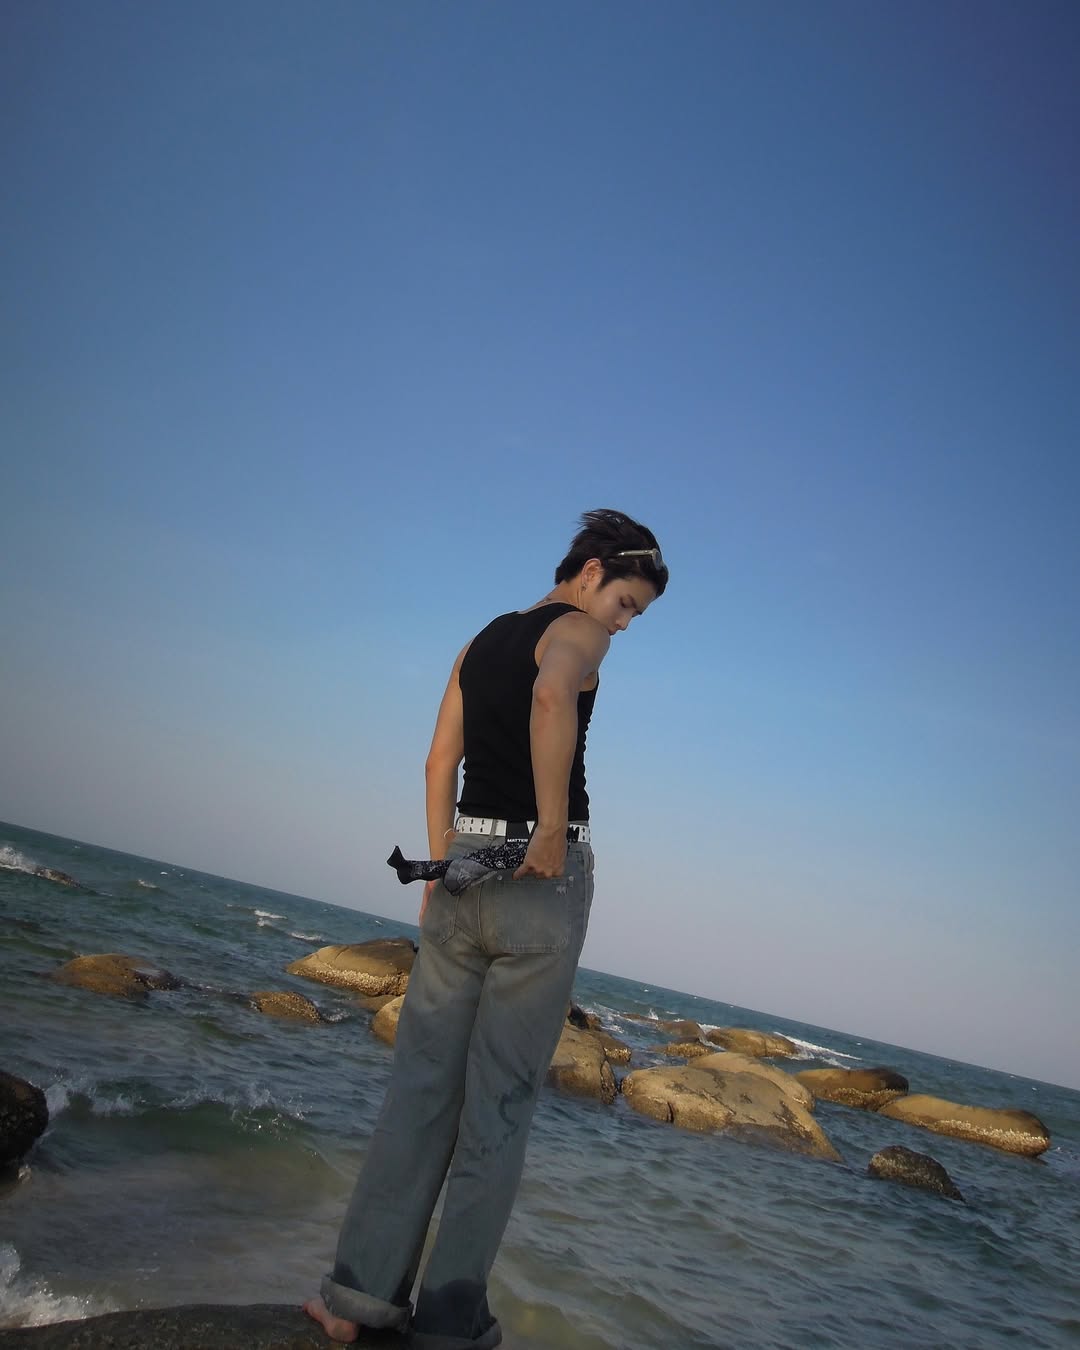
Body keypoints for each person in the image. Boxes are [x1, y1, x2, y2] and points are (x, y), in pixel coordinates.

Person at [305, 509, 669, 1348]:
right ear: (591, 573)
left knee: (419, 1094)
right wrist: (550, 827)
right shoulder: (578, 632)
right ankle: (447, 1322)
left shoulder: (480, 640)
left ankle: (354, 1300)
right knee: (497, 1109)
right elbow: (552, 694)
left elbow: (439, 760)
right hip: (540, 881)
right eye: (626, 603)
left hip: (463, 866)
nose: (622, 624)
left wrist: (438, 865)